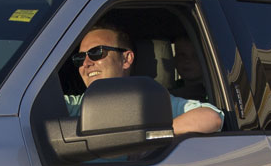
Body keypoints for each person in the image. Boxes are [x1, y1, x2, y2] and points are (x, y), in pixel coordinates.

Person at [69, 24, 222, 135]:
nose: (86, 63)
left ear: (126, 59)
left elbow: (211, 117)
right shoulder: (74, 106)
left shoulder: (150, 101)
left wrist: (149, 137)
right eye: (80, 57)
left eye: (97, 52)